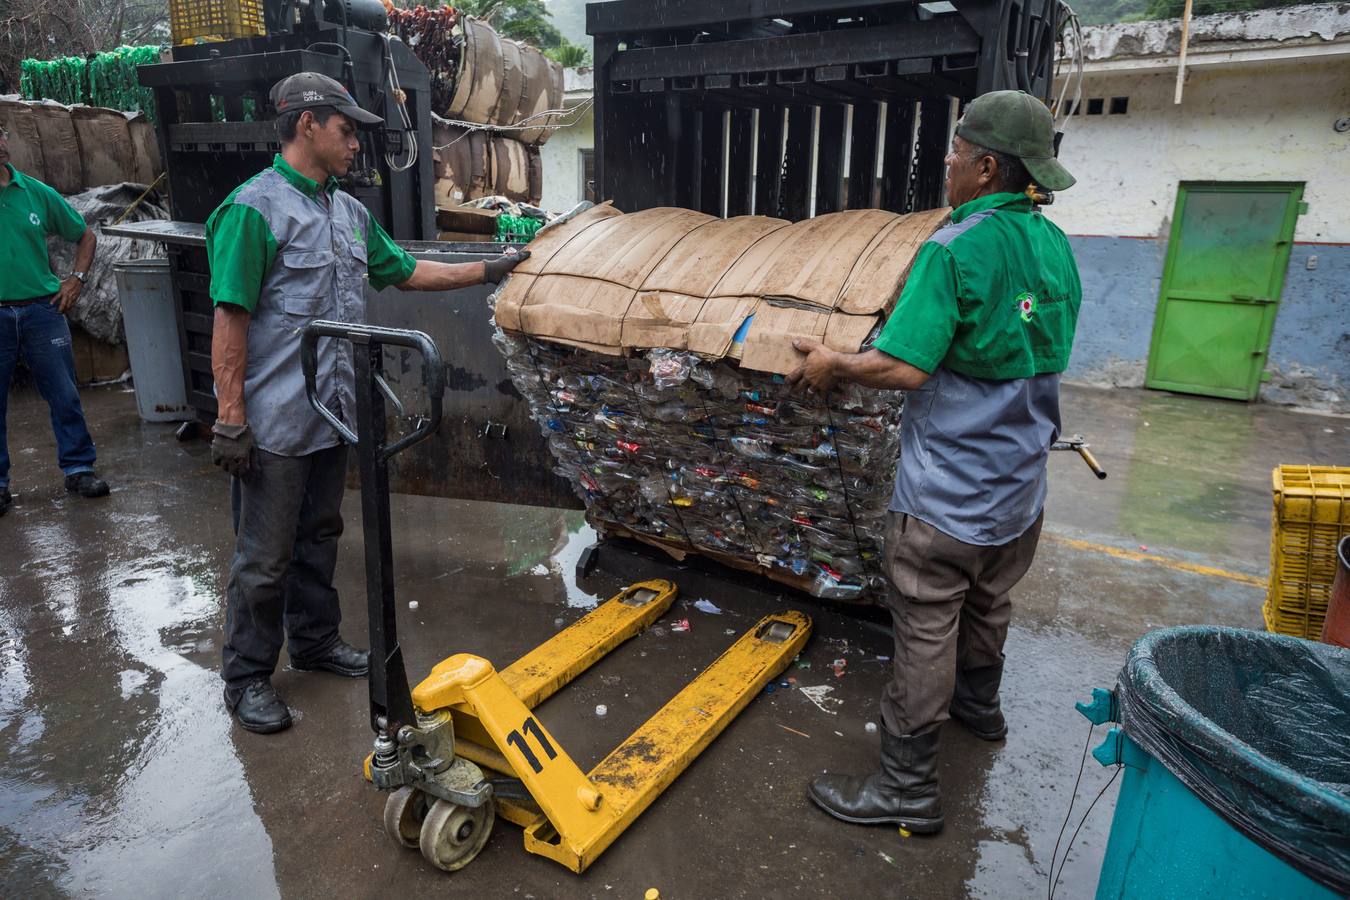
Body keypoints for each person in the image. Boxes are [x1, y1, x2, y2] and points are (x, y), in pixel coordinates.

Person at [788, 90, 1082, 834]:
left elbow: (904, 366)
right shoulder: (1055, 245)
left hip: (947, 496)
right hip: (1019, 494)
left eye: (955, 152)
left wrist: (835, 365)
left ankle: (907, 788)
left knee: (925, 625)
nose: (945, 163)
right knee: (990, 600)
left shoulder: (955, 247)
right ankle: (980, 711)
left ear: (986, 167)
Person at [206, 73, 528, 734]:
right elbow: (230, 321)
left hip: (333, 414)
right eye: (347, 130)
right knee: (264, 559)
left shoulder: (347, 213)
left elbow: (405, 270)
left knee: (320, 537)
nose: (356, 144)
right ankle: (245, 677)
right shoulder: (253, 210)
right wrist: (230, 419)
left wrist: (489, 268)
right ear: (306, 125)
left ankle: (317, 644)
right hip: (273, 423)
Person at [0, 125, 111, 516]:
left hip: (41, 311)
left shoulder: (34, 192)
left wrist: (76, 280)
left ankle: (79, 468)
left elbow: (85, 236)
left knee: (64, 394)